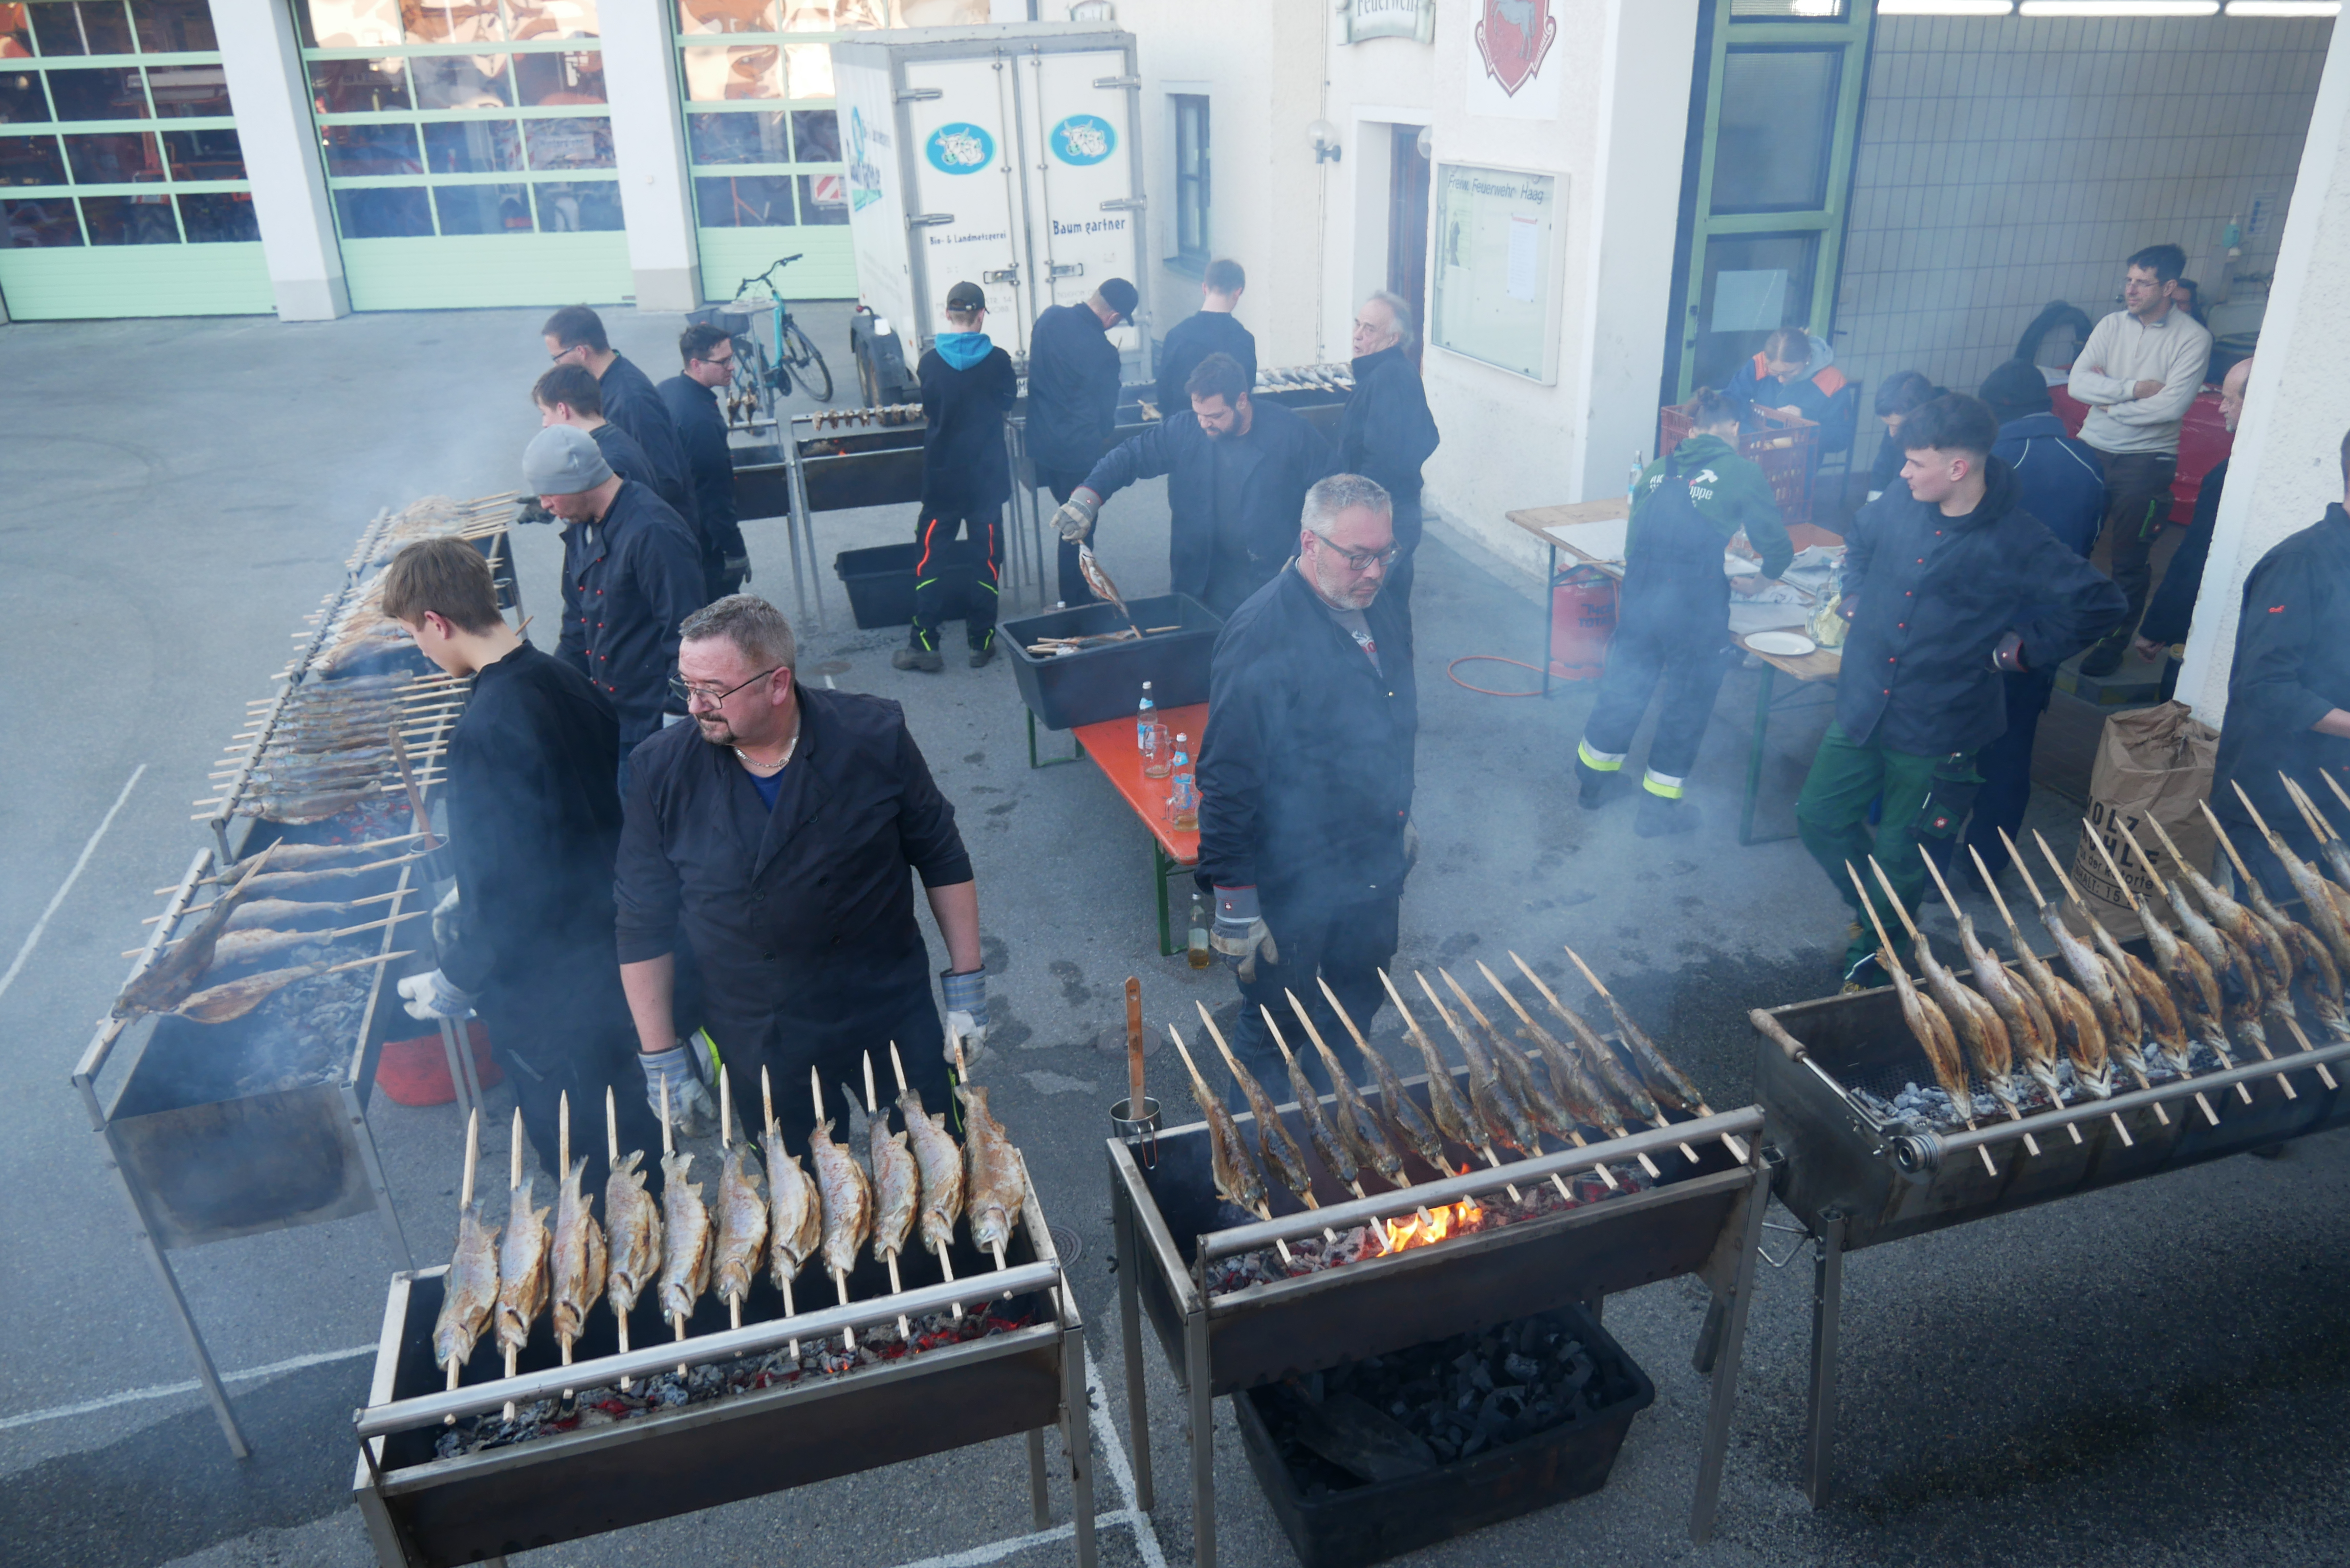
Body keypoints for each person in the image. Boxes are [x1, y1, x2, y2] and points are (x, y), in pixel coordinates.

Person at [614, 595, 987, 1135]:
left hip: (885, 1008)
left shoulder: (872, 735)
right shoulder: (660, 770)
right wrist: (660, 1057)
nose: (693, 706)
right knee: (805, 1196)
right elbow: (640, 922)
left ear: (777, 684)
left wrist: (967, 990)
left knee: (935, 1170)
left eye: (711, 691)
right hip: (758, 1032)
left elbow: (940, 854)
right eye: (686, 686)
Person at [1795, 394, 2125, 988]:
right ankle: (1875, 914)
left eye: (1915, 462)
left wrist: (2017, 650)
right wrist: (1853, 595)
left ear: (1957, 468)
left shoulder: (2017, 537)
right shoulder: (1900, 500)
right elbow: (1860, 541)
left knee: (1900, 851)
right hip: (1864, 704)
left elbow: (2100, 603)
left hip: (1940, 725)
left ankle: (1875, 956)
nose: (1901, 472)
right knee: (1817, 816)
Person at [381, 537, 661, 1193]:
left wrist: (458, 976)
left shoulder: (483, 729)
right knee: (637, 1135)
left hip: (548, 992)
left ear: (437, 623)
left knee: (586, 1166)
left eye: (412, 636)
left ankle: (623, 1283)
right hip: (613, 955)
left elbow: (506, 890)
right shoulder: (568, 679)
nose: (420, 652)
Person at [1199, 473, 1416, 1093]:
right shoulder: (1261, 632)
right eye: (1357, 556)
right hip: (1290, 879)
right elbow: (1227, 776)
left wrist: (1402, 813)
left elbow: (1395, 717)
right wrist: (1235, 904)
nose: (1374, 571)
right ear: (1309, 543)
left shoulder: (1380, 605)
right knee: (1273, 1030)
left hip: (1370, 865)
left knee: (1353, 1009)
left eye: (1384, 553)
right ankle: (1259, 1170)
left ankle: (1335, 1133)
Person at [1575, 388, 1792, 837]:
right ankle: (1657, 814)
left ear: (1692, 431)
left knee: (1625, 686)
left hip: (1640, 596)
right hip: (1694, 607)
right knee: (1687, 703)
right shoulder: (1742, 472)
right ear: (1734, 427)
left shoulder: (1655, 470)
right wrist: (1762, 579)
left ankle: (1593, 785)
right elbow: (1776, 546)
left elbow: (1634, 545)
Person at [1954, 359, 2110, 885]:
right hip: (2039, 640)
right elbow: (2086, 548)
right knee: (2012, 752)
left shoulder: (1993, 462)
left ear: (1995, 411)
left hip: (1980, 636)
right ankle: (1986, 866)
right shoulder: (2087, 462)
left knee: (1952, 751)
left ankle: (1931, 865)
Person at [1053, 353, 1331, 618]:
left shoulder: (1291, 432)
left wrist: (1302, 554)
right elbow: (1130, 456)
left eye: (1215, 416)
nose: (1205, 424)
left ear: (1242, 401)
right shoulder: (1186, 430)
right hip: (1200, 575)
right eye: (1199, 413)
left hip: (1270, 574)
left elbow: (1331, 490)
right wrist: (1087, 497)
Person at [2209, 428, 2350, 901]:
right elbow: (2266, 686)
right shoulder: (2299, 563)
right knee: (2275, 954)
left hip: (2340, 802)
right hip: (2278, 806)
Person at [2064, 243, 2214, 675]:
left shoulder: (2193, 338)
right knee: (2072, 544)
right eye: (2129, 280)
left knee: (2129, 560)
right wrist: (2131, 390)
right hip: (2093, 450)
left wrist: (2108, 400)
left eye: (2142, 283)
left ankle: (2113, 643)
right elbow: (2077, 383)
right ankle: (2061, 625)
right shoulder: (2111, 325)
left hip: (2146, 462)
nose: (2131, 289)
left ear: (2169, 287)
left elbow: (2170, 408)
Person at [525, 424, 704, 783]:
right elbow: (576, 627)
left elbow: (690, 637)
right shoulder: (581, 525)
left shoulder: (654, 532)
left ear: (579, 482)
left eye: (549, 493)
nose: (544, 505)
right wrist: (550, 693)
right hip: (613, 716)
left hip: (656, 721)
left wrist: (676, 723)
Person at [895, 281, 1017, 672]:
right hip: (986, 479)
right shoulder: (999, 360)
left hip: (942, 478)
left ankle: (924, 644)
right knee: (986, 559)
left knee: (930, 560)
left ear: (948, 314)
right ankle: (981, 642)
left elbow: (930, 406)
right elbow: (1007, 403)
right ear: (981, 314)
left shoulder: (929, 362)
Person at [534, 365, 673, 674]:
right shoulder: (607, 447)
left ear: (562, 409)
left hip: (643, 673)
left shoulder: (611, 463)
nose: (544, 425)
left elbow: (675, 622)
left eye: (545, 414)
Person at [2134, 355, 2254, 666]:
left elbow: (2198, 554)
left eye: (2229, 400)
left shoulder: (2231, 476)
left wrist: (2158, 625)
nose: (2221, 408)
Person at [542, 304, 699, 539]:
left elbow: (665, 479)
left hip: (661, 536)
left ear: (582, 351)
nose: (556, 366)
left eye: (557, 358)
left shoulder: (630, 401)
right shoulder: (606, 386)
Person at [1027, 278, 1138, 607]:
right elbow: (1106, 415)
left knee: (1066, 515)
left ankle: (1075, 592)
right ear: (1114, 317)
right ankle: (1074, 600)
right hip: (1077, 453)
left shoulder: (1048, 319)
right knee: (1078, 525)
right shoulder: (1104, 353)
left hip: (1042, 447)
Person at [1339, 291, 1441, 612]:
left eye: (1369, 329)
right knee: (1390, 610)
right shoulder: (1389, 372)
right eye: (1358, 325)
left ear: (1392, 338)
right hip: (1392, 515)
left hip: (1384, 519)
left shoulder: (1391, 378)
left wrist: (1355, 514)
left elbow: (1387, 459)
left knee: (1373, 612)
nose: (1357, 335)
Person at [660, 322, 753, 602]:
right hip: (701, 541)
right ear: (696, 364)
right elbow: (715, 493)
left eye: (731, 358)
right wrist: (735, 550)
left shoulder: (667, 389)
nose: (732, 367)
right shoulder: (700, 420)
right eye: (723, 361)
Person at [1728, 325, 1856, 459]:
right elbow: (1730, 402)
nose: (1782, 380)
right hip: (1752, 455)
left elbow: (1842, 438)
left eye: (1790, 372)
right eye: (1775, 373)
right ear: (1767, 361)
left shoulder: (1832, 381)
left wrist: (1807, 422)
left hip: (1799, 463)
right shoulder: (1759, 364)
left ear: (1807, 359)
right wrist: (1752, 438)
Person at [1155, 257, 1255, 420]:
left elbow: (1163, 394)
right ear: (1238, 292)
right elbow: (1246, 393)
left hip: (1182, 430)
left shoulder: (1176, 336)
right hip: (1228, 435)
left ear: (1204, 288)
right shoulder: (1245, 340)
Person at [1865, 370, 1942, 503]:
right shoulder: (1898, 423)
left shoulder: (1941, 436)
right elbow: (1882, 469)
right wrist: (1872, 507)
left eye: (1896, 426)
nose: (1891, 433)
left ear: (1920, 415)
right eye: (1888, 425)